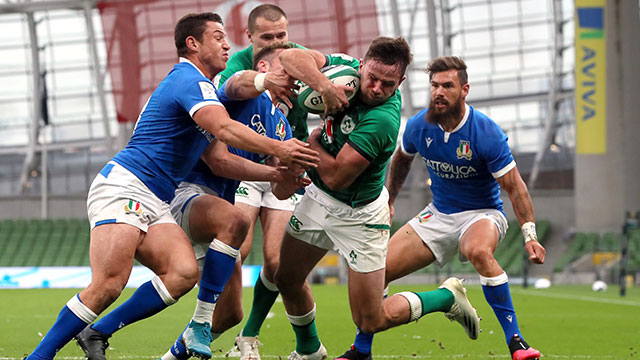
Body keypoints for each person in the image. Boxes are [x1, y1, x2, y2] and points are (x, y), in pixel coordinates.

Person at [24, 12, 318, 360]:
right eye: (218, 37)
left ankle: (100, 332)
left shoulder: (203, 91)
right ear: (192, 44)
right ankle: (39, 357)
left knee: (182, 274)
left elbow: (220, 159)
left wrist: (277, 173)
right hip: (127, 184)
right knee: (109, 284)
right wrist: (278, 149)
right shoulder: (187, 80)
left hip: (158, 198)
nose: (227, 44)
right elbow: (224, 127)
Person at [272, 38, 481, 360]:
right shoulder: (344, 67)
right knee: (285, 278)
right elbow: (289, 57)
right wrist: (324, 85)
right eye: (372, 77)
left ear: (401, 82)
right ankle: (309, 350)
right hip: (319, 202)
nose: (376, 88)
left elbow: (336, 176)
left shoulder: (383, 119)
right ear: (362, 64)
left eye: (387, 83)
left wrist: (310, 142)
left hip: (360, 216)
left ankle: (444, 298)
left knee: (370, 320)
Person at [340, 56, 546, 360]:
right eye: (434, 85)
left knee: (478, 251)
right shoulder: (420, 126)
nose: (439, 91)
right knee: (377, 271)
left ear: (464, 89)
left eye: (447, 85)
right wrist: (390, 199)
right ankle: (362, 350)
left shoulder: (485, 132)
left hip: (482, 213)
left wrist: (530, 234)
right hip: (438, 214)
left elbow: (515, 187)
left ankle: (517, 342)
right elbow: (401, 160)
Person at [157, 43, 310, 360]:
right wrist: (263, 83)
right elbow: (235, 84)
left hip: (218, 200)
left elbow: (279, 190)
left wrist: (292, 176)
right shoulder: (241, 91)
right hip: (189, 192)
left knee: (231, 314)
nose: (296, 81)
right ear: (265, 69)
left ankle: (172, 355)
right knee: (233, 230)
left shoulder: (280, 123)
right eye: (289, 72)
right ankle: (99, 330)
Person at [211, 6, 320, 359]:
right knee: (236, 247)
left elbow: (335, 78)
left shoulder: (301, 59)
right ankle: (209, 321)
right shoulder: (240, 63)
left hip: (285, 163)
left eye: (281, 36)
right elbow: (231, 90)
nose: (276, 42)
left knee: (277, 264)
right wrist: (264, 81)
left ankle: (251, 336)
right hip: (245, 165)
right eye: (268, 37)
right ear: (251, 38)